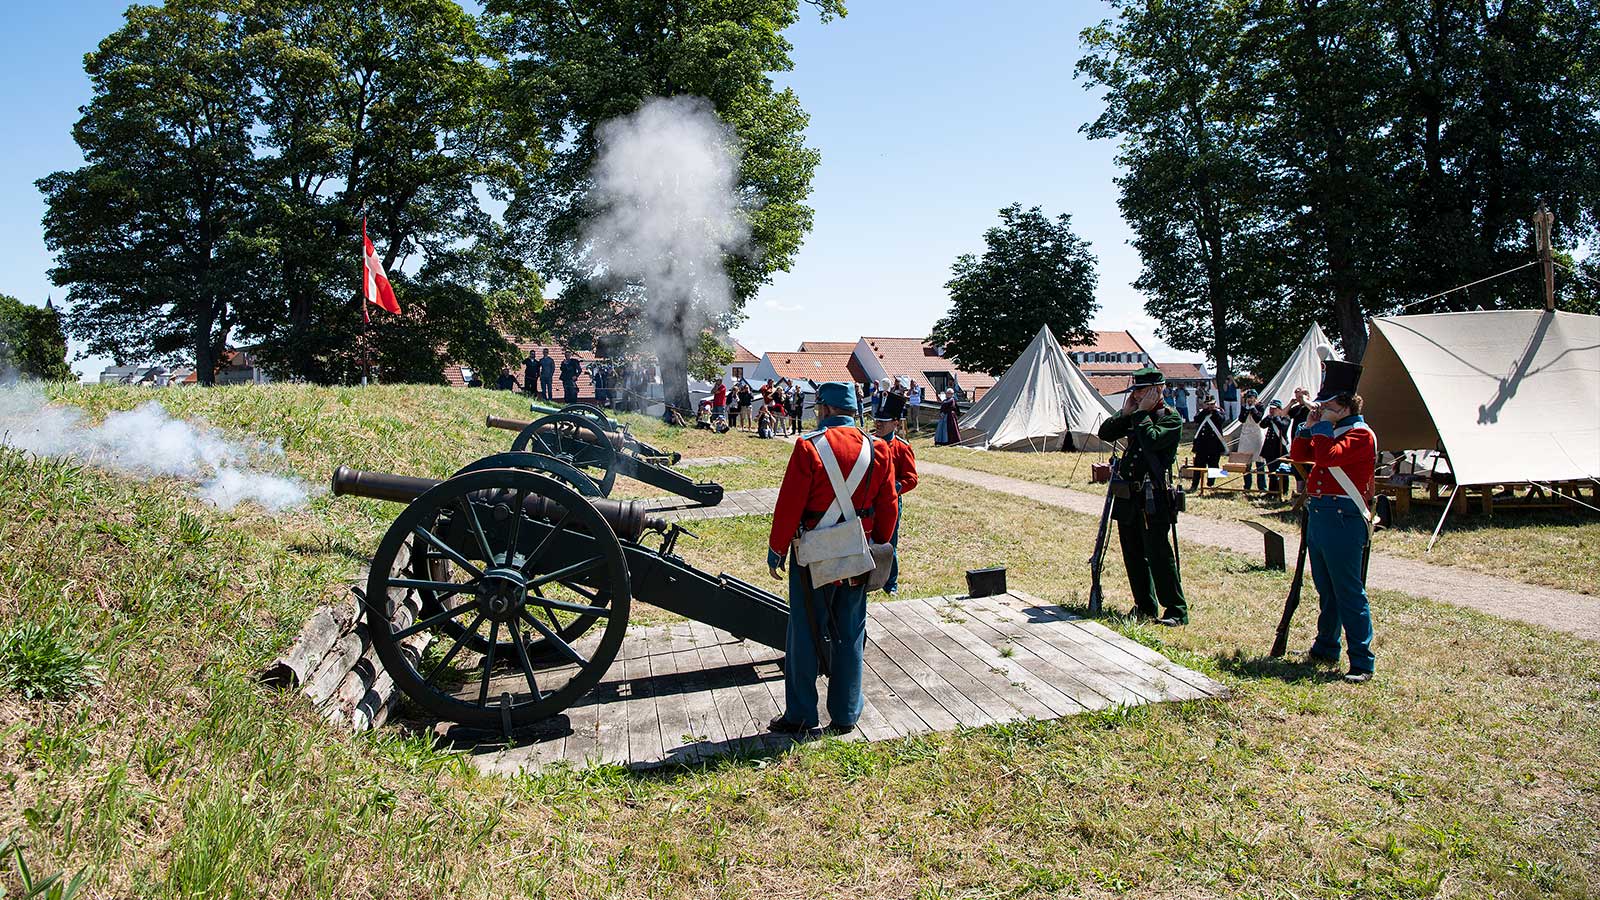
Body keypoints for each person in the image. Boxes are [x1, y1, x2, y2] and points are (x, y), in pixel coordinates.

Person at [766, 382, 898, 736]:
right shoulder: (879, 449)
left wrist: (777, 549)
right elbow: (888, 506)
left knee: (805, 636)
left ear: (823, 409)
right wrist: (880, 545)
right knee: (852, 634)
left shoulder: (808, 447)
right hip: (858, 554)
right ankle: (845, 714)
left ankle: (801, 715)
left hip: (814, 558)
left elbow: (790, 504)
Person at [1290, 360, 1377, 683]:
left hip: (1344, 516)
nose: (1321, 407)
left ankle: (1362, 660)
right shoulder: (1333, 430)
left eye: (1326, 403)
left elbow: (1328, 458)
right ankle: (1327, 645)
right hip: (1322, 513)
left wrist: (1321, 429)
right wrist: (1307, 427)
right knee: (1326, 588)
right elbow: (1300, 455)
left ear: (1342, 404)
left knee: (1349, 591)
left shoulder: (1360, 435)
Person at [1096, 366, 1187, 626]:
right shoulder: (1136, 415)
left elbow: (1151, 440)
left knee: (1158, 554)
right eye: (1135, 391)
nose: (1136, 396)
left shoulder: (1170, 418)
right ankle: (1144, 606)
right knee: (1133, 554)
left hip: (1153, 497)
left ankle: (1176, 611)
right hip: (1129, 496)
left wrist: (1141, 415)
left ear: (1159, 390)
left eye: (1142, 391)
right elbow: (1106, 433)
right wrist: (1124, 413)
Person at [874, 392, 917, 596]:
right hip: (869, 501)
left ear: (895, 423)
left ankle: (890, 584)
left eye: (884, 421)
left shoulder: (902, 447)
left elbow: (911, 478)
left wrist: (893, 488)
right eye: (877, 419)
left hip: (890, 502)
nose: (878, 424)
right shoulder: (870, 443)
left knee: (889, 543)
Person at [1189, 396, 1227, 492]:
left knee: (1213, 465)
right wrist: (1205, 411)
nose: (1210, 406)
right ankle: (1194, 484)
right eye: (1208, 404)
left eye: (1212, 404)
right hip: (1202, 445)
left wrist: (1214, 411)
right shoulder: (1203, 412)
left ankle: (1210, 484)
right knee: (1198, 466)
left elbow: (1221, 420)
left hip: (1214, 445)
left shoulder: (1219, 412)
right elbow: (1196, 419)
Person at [1236, 389, 1268, 490]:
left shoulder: (1260, 406)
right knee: (1246, 462)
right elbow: (1241, 419)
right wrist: (1246, 409)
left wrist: (1253, 408)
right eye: (1248, 397)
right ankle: (1247, 485)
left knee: (1259, 461)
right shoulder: (1244, 407)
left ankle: (1262, 486)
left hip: (1256, 434)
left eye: (1251, 397)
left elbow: (1258, 418)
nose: (1249, 399)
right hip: (1246, 434)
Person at [1260, 399, 1293, 494]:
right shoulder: (1270, 418)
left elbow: (1282, 426)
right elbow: (1262, 425)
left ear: (1279, 409)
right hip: (1269, 449)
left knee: (1282, 471)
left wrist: (1276, 417)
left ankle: (1283, 491)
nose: (1271, 410)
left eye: (1274, 409)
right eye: (1271, 409)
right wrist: (1269, 417)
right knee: (1271, 472)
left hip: (1279, 449)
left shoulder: (1285, 418)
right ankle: (1272, 491)